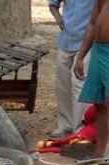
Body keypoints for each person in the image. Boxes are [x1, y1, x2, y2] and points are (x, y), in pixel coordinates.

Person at [49, 0, 94, 139]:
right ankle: (65, 126)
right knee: (62, 85)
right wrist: (59, 18)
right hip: (66, 40)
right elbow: (53, 4)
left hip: (87, 43)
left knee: (79, 85)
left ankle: (80, 129)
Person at [74, 0, 109, 158]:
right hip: (98, 50)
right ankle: (100, 154)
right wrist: (80, 57)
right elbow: (93, 23)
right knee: (100, 104)